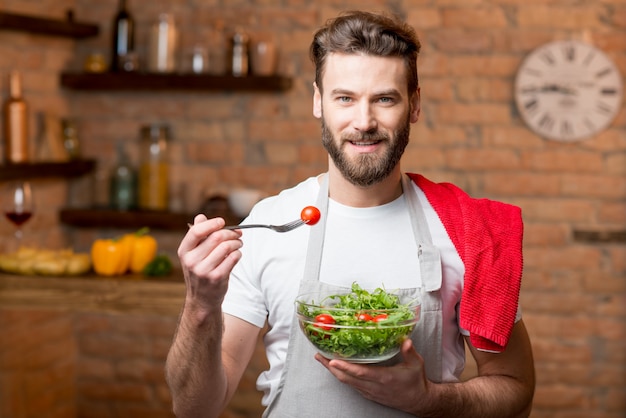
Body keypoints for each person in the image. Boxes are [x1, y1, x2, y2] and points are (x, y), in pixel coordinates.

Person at [166, 10, 535, 418]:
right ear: (317, 102)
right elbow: (194, 409)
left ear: (414, 104)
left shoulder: (465, 232)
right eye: (345, 98)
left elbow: (515, 389)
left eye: (384, 98)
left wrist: (428, 398)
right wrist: (200, 305)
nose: (364, 122)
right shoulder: (271, 224)